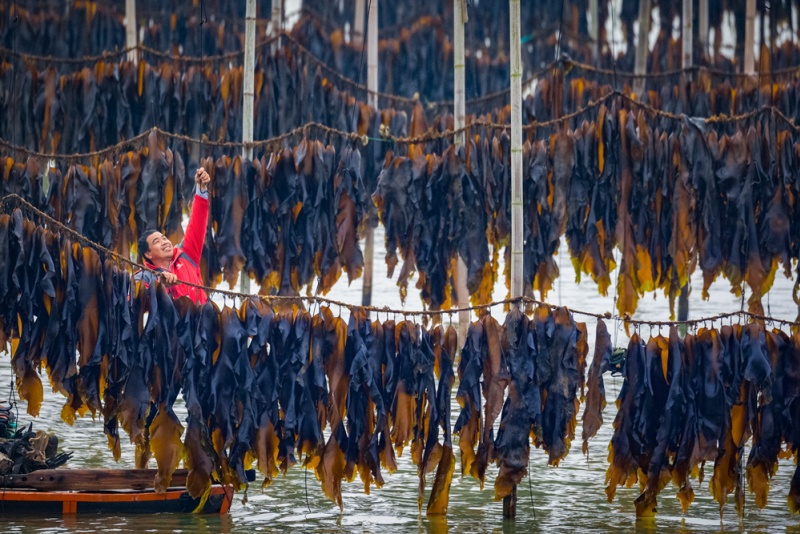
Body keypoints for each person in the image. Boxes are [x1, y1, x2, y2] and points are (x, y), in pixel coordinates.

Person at [134, 167, 210, 304]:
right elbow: (134, 304)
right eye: (157, 241)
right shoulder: (143, 277)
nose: (165, 242)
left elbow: (197, 223)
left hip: (201, 322)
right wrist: (159, 286)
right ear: (148, 254)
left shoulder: (187, 254)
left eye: (164, 238)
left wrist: (201, 189)